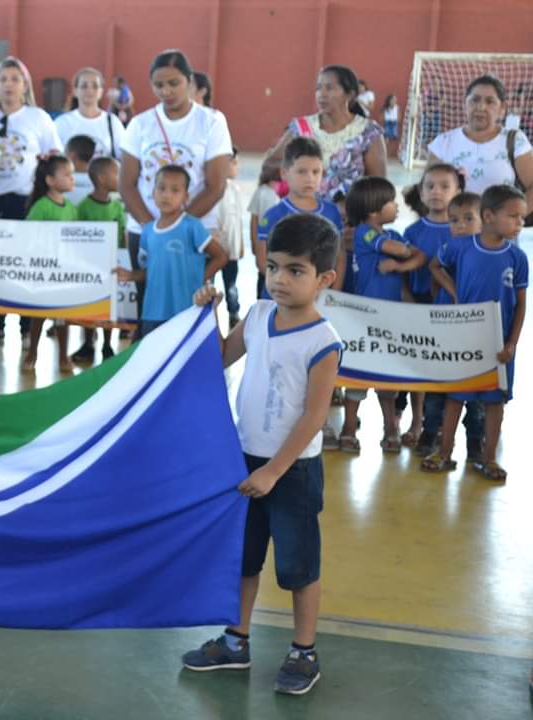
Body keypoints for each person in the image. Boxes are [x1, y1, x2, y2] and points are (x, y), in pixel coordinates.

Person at [183, 212, 342, 697]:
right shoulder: (254, 316)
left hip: (292, 471)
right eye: (273, 267)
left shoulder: (324, 341)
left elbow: (314, 417)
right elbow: (217, 359)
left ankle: (303, 650)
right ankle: (236, 641)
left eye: (295, 270)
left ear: (324, 279)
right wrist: (207, 314)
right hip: (244, 462)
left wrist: (276, 470)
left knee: (299, 566)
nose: (279, 279)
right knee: (243, 560)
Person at [120, 49, 233, 329]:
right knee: (149, 309)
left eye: (174, 83)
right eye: (158, 85)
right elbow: (126, 183)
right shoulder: (140, 124)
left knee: (192, 309)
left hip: (196, 231)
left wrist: (177, 226)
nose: (166, 91)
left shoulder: (211, 122)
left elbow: (216, 184)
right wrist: (152, 228)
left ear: (189, 81)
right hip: (145, 232)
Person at [426, 184, 527, 481]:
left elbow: (521, 305)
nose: (520, 223)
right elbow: (435, 265)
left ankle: (490, 458)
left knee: (494, 402)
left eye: (522, 218)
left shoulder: (518, 258)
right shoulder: (462, 246)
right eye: (513, 216)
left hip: (499, 343)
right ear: (489, 216)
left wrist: (512, 343)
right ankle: (444, 452)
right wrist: (455, 291)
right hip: (465, 338)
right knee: (455, 397)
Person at [0, 56, 62, 349]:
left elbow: (55, 158)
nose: (9, 85)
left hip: (26, 201)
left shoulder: (38, 118)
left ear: (24, 85)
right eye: (3, 79)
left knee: (25, 265)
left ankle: (27, 329)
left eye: (15, 79)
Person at [339, 176, 425, 454]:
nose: (396, 206)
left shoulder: (393, 234)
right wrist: (409, 256)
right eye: (391, 202)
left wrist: (401, 269)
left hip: (390, 318)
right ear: (374, 210)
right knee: (358, 379)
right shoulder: (365, 232)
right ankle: (349, 428)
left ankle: (391, 427)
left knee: (389, 380)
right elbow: (403, 251)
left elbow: (414, 260)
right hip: (364, 317)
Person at [115, 164, 227, 337]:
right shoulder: (148, 232)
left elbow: (221, 256)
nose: (166, 195)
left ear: (186, 196)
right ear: (153, 193)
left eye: (175, 190)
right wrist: (130, 276)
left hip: (186, 310)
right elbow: (151, 270)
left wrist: (198, 280)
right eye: (161, 188)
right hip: (152, 313)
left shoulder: (192, 227)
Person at [400, 164, 466, 453]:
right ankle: (417, 421)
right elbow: (401, 276)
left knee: (444, 369)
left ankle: (439, 425)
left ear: (458, 192)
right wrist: (408, 304)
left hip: (450, 309)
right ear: (421, 192)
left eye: (444, 186)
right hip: (418, 305)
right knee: (418, 369)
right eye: (430, 186)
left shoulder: (463, 234)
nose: (436, 192)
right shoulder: (412, 231)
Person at [264, 65, 386, 201]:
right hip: (304, 215)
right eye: (318, 88)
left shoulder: (368, 132)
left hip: (348, 218)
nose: (321, 94)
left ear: (350, 95)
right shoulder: (301, 128)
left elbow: (379, 186)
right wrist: (300, 170)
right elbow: (270, 165)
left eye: (329, 88)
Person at [257, 138, 345, 303]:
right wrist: (289, 286)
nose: (310, 178)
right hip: (279, 299)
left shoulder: (332, 212)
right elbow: (262, 260)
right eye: (302, 171)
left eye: (316, 172)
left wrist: (333, 294)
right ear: (284, 173)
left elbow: (339, 257)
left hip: (319, 300)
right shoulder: (273, 216)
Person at [427, 75, 533, 204]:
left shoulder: (516, 141)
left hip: (499, 224)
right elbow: (428, 189)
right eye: (475, 100)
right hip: (455, 223)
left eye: (490, 101)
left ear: (502, 108)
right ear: (464, 103)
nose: (481, 107)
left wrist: (512, 216)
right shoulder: (443, 143)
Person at [21, 154, 77, 374]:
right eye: (67, 175)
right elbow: (28, 234)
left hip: (65, 271)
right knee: (39, 314)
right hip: (44, 270)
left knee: (62, 316)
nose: (72, 179)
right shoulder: (41, 206)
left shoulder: (71, 207)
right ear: (51, 180)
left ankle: (63, 355)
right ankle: (32, 353)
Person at [70, 155, 126, 363]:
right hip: (90, 266)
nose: (120, 178)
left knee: (109, 307)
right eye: (116, 173)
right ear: (102, 178)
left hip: (112, 266)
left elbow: (122, 236)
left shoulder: (117, 206)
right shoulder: (84, 207)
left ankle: (107, 344)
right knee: (90, 307)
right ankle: (87, 343)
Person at [55, 68, 126, 159]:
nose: (89, 90)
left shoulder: (113, 122)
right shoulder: (62, 123)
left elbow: (123, 158)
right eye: (84, 86)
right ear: (75, 91)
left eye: (95, 86)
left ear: (101, 91)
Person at [214, 147, 245, 326]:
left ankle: (233, 312)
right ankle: (207, 314)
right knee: (209, 283)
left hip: (231, 248)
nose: (237, 167)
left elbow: (238, 218)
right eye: (234, 163)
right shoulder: (213, 190)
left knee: (231, 283)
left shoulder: (235, 189)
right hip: (214, 248)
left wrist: (240, 245)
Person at [248, 163, 282, 300]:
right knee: (265, 273)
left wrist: (254, 242)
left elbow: (254, 221)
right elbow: (255, 220)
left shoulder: (262, 192)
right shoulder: (270, 194)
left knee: (265, 273)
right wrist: (255, 242)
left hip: (267, 242)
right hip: (268, 241)